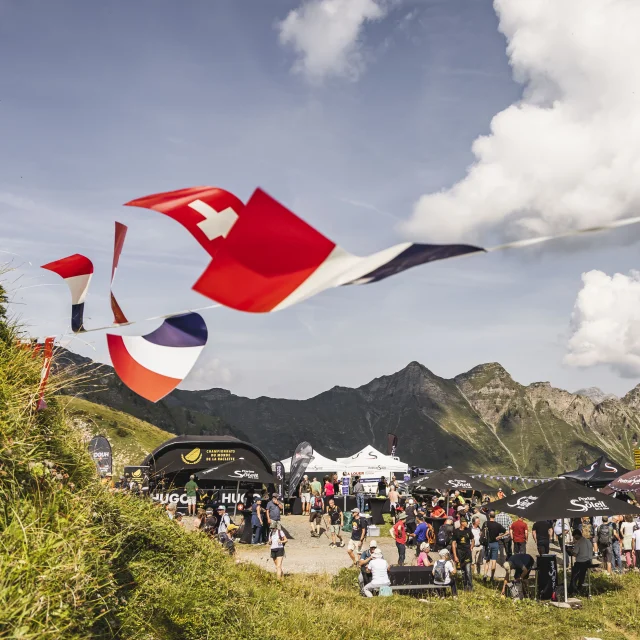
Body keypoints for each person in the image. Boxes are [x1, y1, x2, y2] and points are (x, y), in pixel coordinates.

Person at [482, 511, 507, 582]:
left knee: (487, 561)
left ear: (489, 516)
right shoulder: (498, 525)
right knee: (494, 561)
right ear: (494, 516)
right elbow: (507, 532)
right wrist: (500, 536)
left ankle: (485, 575)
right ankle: (492, 577)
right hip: (495, 543)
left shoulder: (486, 523)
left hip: (488, 543)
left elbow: (482, 532)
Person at [452, 517, 474, 591]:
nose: (466, 524)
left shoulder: (468, 530)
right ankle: (465, 586)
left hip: (467, 552)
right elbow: (453, 544)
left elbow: (472, 539)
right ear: (461, 523)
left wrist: (471, 547)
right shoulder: (456, 531)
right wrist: (455, 556)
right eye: (465, 522)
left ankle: (470, 587)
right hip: (460, 552)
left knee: (468, 570)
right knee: (462, 571)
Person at [568, 529, 593, 595]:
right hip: (588, 561)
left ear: (576, 535)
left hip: (581, 562)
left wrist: (570, 550)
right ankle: (580, 588)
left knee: (574, 577)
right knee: (582, 576)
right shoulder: (588, 541)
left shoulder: (578, 543)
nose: (574, 538)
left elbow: (575, 554)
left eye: (574, 536)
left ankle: (572, 590)